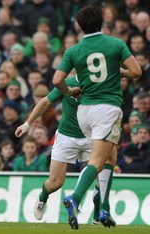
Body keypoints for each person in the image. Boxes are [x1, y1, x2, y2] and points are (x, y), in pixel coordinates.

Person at [52, 4, 142, 229]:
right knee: (99, 160)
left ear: (80, 26)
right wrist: (120, 71)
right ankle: (76, 197)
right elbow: (137, 72)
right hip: (107, 108)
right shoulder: (116, 44)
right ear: (102, 22)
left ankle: (104, 209)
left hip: (84, 111)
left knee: (110, 157)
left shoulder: (73, 50)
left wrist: (69, 91)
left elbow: (56, 80)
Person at [15, 75, 114, 224]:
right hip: (66, 137)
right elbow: (45, 102)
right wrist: (27, 124)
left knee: (102, 179)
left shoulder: (101, 84)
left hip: (90, 137)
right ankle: (43, 197)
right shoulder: (68, 83)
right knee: (55, 183)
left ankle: (97, 216)